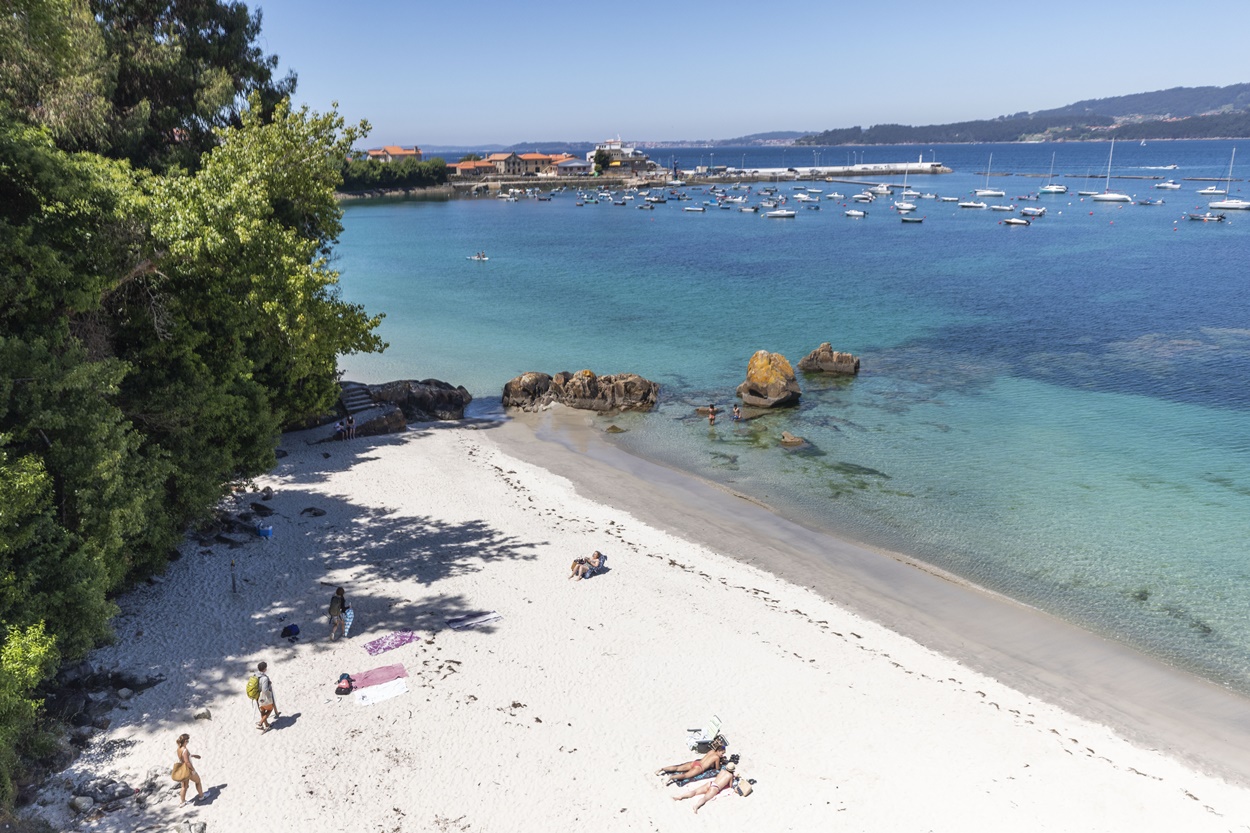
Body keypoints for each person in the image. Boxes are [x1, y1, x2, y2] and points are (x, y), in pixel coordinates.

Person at [672, 762, 752, 813]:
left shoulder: (722, 771)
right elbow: (730, 786)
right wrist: (734, 778)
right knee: (705, 798)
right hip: (715, 788)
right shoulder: (730, 775)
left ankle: (680, 796)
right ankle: (696, 806)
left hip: (710, 783)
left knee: (695, 791)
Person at [655, 739, 726, 785]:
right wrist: (720, 762)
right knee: (685, 776)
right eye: (722, 753)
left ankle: (662, 769)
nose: (722, 755)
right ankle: (671, 777)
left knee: (678, 768)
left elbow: (709, 760)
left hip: (696, 762)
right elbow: (717, 769)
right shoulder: (717, 757)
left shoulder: (712, 751)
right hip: (699, 768)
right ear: (719, 751)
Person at [174, 733, 204, 807]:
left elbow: (183, 758)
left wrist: (192, 755)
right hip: (188, 770)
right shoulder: (185, 750)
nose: (188, 742)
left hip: (182, 770)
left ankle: (182, 802)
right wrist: (193, 770)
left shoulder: (179, 749)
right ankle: (201, 796)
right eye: (187, 741)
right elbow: (187, 762)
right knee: (198, 781)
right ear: (185, 741)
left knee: (184, 787)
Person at [255, 661, 278, 732]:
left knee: (262, 711)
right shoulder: (264, 678)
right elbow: (264, 690)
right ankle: (260, 723)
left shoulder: (255, 675)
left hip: (258, 697)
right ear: (264, 669)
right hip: (264, 698)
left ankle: (267, 725)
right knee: (270, 709)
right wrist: (269, 684)